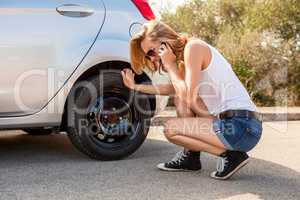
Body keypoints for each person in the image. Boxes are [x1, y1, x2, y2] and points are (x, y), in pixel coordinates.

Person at [121, 20, 262, 180]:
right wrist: (135, 87)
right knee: (180, 99)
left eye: (152, 52)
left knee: (171, 129)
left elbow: (188, 95)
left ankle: (232, 156)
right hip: (239, 126)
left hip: (241, 126)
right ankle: (191, 158)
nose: (153, 59)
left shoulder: (193, 48)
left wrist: (171, 66)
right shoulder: (187, 56)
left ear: (165, 41)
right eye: (149, 55)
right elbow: (173, 89)